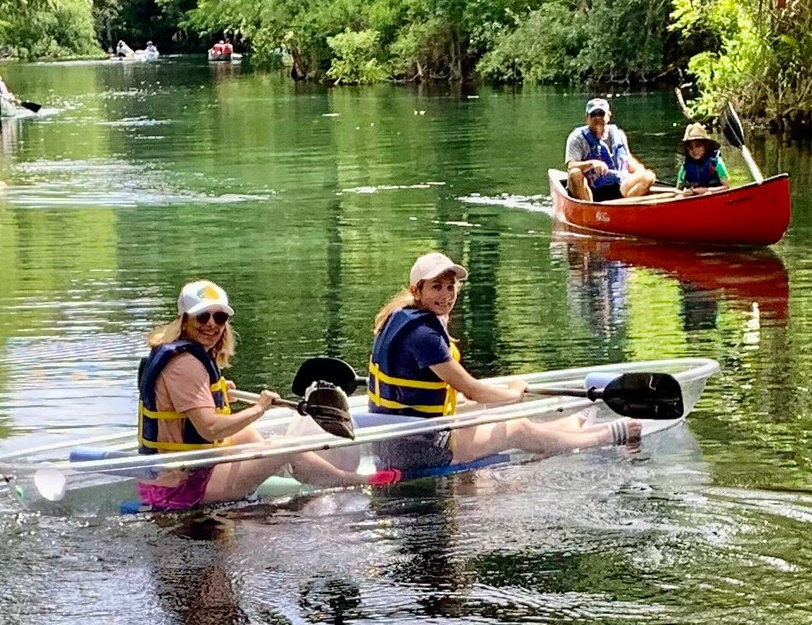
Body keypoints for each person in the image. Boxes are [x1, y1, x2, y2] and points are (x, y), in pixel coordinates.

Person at [368, 252, 640, 470]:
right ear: (418, 291)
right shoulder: (424, 336)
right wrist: (513, 393)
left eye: (451, 287)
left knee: (481, 410)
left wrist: (494, 398)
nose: (446, 295)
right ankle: (607, 436)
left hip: (396, 440)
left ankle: (566, 428)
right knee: (515, 427)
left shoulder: (398, 316)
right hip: (418, 450)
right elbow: (470, 389)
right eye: (436, 287)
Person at [137, 280, 392, 511]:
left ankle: (279, 472)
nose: (212, 324)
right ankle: (347, 481)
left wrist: (216, 393)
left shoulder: (181, 355)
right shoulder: (186, 365)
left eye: (220, 317)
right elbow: (210, 429)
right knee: (284, 445)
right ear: (184, 319)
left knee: (250, 436)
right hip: (183, 486)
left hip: (184, 469)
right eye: (202, 317)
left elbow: (180, 407)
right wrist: (258, 408)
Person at [565, 98, 656, 202]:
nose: (597, 118)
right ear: (587, 118)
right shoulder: (577, 137)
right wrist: (592, 164)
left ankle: (625, 207)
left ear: (608, 115)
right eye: (593, 114)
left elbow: (628, 160)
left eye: (601, 113)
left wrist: (640, 171)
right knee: (574, 173)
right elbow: (571, 165)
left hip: (620, 185)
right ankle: (590, 208)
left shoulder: (618, 134)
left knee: (649, 176)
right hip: (591, 189)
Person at [676, 123, 729, 192]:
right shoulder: (685, 166)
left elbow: (726, 187)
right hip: (692, 197)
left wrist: (706, 190)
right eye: (690, 148)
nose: (694, 150)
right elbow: (678, 190)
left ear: (706, 146)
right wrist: (685, 192)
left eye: (698, 146)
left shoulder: (716, 162)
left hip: (713, 196)